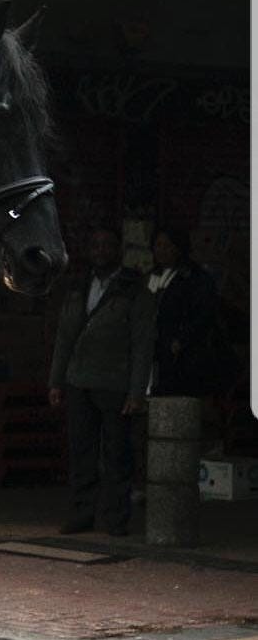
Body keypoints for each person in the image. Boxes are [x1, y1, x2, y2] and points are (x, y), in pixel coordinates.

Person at [48, 224, 156, 535]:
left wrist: (137, 391)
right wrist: (56, 381)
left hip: (115, 382)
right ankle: (82, 514)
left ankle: (114, 518)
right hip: (79, 380)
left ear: (119, 251)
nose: (100, 252)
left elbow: (143, 344)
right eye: (95, 246)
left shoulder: (135, 290)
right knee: (81, 452)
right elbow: (64, 337)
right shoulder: (78, 287)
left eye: (107, 246)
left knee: (116, 454)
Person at [147, 226, 235, 398]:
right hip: (156, 353)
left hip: (185, 358)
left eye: (167, 246)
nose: (162, 251)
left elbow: (203, 315)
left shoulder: (196, 278)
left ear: (179, 248)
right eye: (158, 245)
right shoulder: (153, 276)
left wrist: (181, 341)